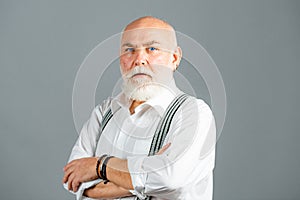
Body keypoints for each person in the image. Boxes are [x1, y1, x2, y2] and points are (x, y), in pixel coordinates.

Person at [62, 16, 216, 200]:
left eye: (152, 49)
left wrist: (99, 166)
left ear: (174, 58)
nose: (139, 59)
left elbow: (170, 178)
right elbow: (73, 178)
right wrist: (146, 176)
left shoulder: (194, 113)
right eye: (129, 50)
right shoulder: (104, 112)